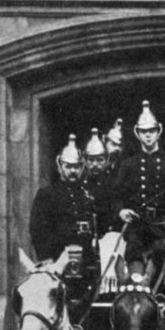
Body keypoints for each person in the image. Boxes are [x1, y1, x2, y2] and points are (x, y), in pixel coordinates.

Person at [110, 101, 165, 283]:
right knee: (133, 248)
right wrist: (121, 211)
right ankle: (136, 289)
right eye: (144, 132)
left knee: (158, 249)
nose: (148, 136)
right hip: (136, 224)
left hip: (163, 225)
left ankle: (156, 293)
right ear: (137, 133)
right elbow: (115, 196)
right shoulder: (128, 164)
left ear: (158, 131)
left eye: (151, 131)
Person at [29, 135, 96, 318]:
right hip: (57, 263)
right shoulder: (47, 195)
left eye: (76, 166)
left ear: (82, 167)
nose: (72, 171)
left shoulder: (88, 196)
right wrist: (49, 259)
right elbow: (38, 231)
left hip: (86, 266)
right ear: (60, 167)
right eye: (68, 166)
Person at [82, 128, 114, 235]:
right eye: (91, 160)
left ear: (107, 160)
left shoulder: (114, 185)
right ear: (84, 161)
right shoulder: (79, 185)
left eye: (100, 160)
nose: (95, 164)